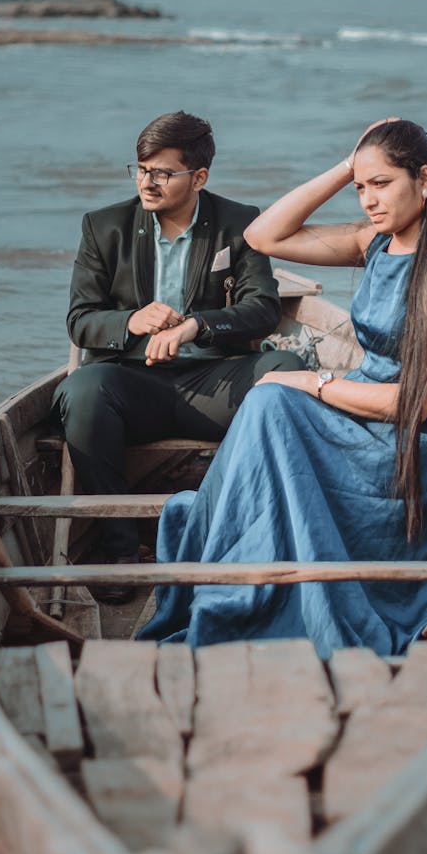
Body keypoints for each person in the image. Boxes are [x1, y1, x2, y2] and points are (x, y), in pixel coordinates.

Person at [139, 117, 427, 656]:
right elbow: (263, 235)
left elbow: (413, 404)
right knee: (270, 401)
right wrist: (346, 165)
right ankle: (228, 562)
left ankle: (220, 564)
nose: (368, 201)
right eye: (361, 188)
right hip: (364, 415)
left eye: (383, 184)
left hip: (415, 447)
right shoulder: (373, 242)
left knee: (273, 400)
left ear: (424, 180)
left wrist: (314, 380)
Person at [52, 111, 305, 602]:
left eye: (162, 172)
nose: (148, 182)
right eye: (141, 169)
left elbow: (264, 307)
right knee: (82, 391)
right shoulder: (104, 227)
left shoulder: (240, 221)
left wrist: (199, 323)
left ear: (199, 177)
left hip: (214, 381)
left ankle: (239, 530)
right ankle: (119, 546)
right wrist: (129, 322)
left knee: (288, 374)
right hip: (133, 384)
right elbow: (81, 319)